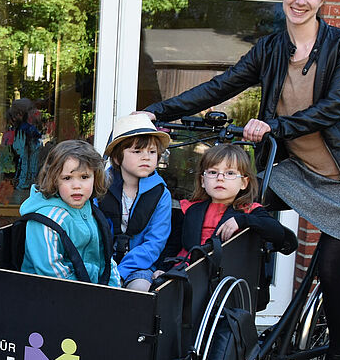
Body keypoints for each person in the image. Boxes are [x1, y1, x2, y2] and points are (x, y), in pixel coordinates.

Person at [139, 0, 340, 360]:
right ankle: (247, 315)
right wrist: (157, 111)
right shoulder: (271, 48)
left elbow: (338, 104)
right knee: (236, 217)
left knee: (330, 268)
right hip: (298, 169)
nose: (301, 0)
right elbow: (224, 84)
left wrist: (276, 127)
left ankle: (335, 356)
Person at [161, 145, 296, 268]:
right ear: (203, 181)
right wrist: (162, 269)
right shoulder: (188, 209)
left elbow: (278, 233)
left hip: (226, 277)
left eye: (230, 173)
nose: (220, 178)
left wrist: (243, 220)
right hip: (184, 273)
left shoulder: (249, 211)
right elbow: (172, 247)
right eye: (213, 172)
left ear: (244, 183)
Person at [20, 139, 121, 286]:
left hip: (90, 292)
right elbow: (52, 273)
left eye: (84, 177)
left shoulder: (92, 212)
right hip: (49, 296)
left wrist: (114, 290)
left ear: (95, 177)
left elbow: (105, 260)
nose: (77, 186)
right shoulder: (46, 220)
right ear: (54, 180)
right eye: (67, 178)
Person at [96, 114, 173, 291]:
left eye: (152, 152)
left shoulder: (161, 194)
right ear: (117, 158)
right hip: (102, 260)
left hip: (139, 266)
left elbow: (154, 243)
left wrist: (120, 273)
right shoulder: (100, 187)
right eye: (137, 152)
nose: (146, 157)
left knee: (139, 290)